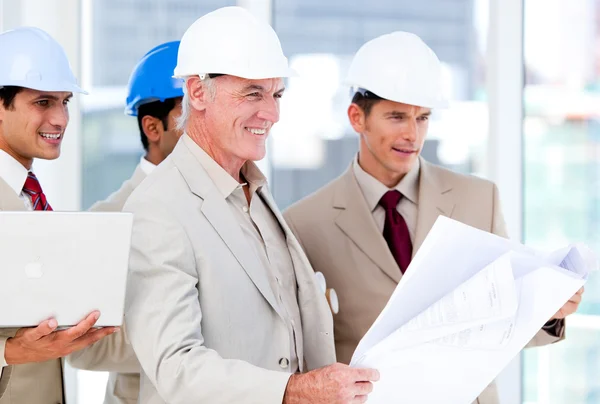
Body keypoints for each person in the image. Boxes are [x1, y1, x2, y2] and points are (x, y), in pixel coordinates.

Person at [283, 31, 583, 404]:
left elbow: (507, 317)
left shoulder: (478, 199)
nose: (412, 134)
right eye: (396, 117)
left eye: (422, 118)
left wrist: (549, 311)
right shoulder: (304, 224)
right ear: (356, 117)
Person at [123, 7, 379, 404]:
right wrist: (296, 391)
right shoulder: (157, 208)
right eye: (252, 93)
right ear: (197, 91)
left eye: (276, 94)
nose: (272, 114)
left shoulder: (256, 192)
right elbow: (176, 367)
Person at [0, 26, 117, 404]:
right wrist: (9, 351)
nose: (61, 118)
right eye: (43, 102)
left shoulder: (29, 196)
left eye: (65, 102)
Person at [67, 41, 184, 404]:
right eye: (192, 116)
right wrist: (190, 343)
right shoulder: (106, 222)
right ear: (153, 127)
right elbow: (83, 349)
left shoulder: (241, 204)